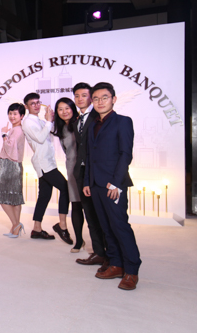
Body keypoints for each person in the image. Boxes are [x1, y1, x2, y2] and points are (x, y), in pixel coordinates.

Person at [83, 82, 141, 290]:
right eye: (96, 99)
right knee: (106, 227)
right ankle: (116, 264)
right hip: (95, 184)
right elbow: (90, 156)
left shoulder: (123, 121)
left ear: (113, 99)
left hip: (113, 185)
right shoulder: (92, 124)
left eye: (104, 98)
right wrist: (87, 181)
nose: (100, 102)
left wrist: (116, 183)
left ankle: (132, 270)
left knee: (119, 226)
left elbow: (126, 154)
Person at [21, 92, 72, 244]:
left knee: (44, 195)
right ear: (26, 106)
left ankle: (36, 229)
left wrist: (51, 120)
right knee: (65, 188)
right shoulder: (27, 122)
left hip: (47, 161)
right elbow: (41, 138)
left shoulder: (39, 120)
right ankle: (62, 225)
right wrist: (49, 121)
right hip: (44, 163)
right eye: (32, 103)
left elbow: (51, 134)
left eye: (38, 102)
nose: (36, 106)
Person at [72, 83, 108, 269]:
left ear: (91, 98)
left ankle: (111, 256)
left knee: (103, 215)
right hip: (82, 173)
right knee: (90, 215)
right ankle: (98, 253)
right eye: (77, 96)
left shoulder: (98, 117)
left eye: (84, 95)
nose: (80, 99)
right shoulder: (77, 120)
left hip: (97, 173)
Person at [53, 97, 84, 252]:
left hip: (85, 169)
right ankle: (79, 241)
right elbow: (67, 152)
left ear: (73, 109)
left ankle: (100, 244)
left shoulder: (80, 124)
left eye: (67, 108)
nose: (64, 112)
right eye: (60, 109)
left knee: (90, 207)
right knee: (76, 205)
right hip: (71, 169)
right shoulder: (61, 129)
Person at [0, 103, 26, 238]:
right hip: (16, 165)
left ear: (22, 116)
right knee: (15, 197)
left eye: (15, 114)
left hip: (10, 165)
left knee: (2, 197)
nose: (12, 116)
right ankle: (15, 227)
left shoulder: (17, 130)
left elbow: (9, 146)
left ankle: (16, 224)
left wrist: (4, 134)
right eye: (10, 113)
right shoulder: (18, 129)